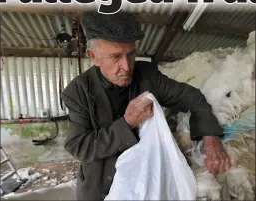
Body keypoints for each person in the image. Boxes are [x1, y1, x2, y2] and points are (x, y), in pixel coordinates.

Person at [61, 11, 231, 201]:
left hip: (147, 185)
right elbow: (78, 145)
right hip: (100, 188)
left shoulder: (147, 75)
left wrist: (210, 136)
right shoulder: (78, 91)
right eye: (115, 57)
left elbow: (193, 98)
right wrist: (127, 123)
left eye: (131, 55)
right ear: (94, 56)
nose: (126, 66)